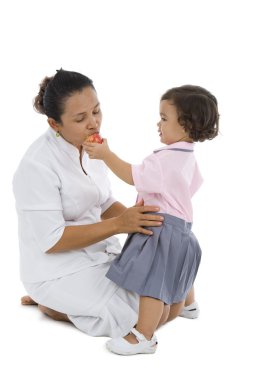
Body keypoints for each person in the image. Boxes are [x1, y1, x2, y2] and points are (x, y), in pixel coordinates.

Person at [13, 69, 197, 346]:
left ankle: (71, 305)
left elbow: (103, 201)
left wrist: (146, 222)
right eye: (80, 118)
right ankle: (51, 305)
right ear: (54, 123)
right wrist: (121, 225)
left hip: (99, 253)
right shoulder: (36, 166)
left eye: (96, 111)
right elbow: (51, 240)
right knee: (140, 315)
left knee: (166, 303)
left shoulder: (92, 148)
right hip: (55, 269)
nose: (94, 123)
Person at [84, 84, 219, 355]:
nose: (158, 124)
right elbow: (192, 185)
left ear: (186, 125)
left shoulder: (164, 160)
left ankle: (144, 336)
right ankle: (189, 305)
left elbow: (133, 176)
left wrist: (106, 155)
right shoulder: (187, 156)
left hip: (162, 227)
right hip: (182, 228)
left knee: (153, 282)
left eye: (164, 118)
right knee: (177, 268)